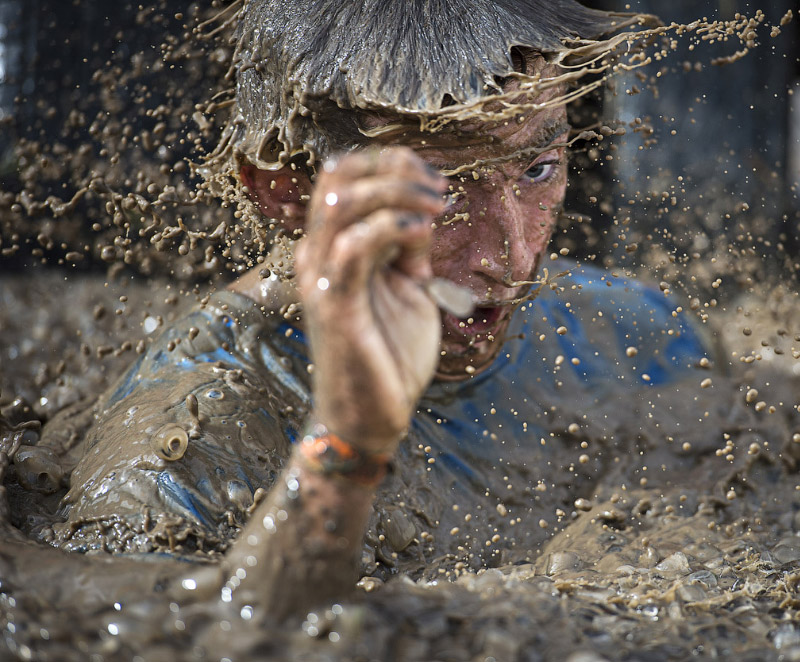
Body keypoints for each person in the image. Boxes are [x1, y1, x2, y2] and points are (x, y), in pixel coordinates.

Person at [43, 0, 711, 619]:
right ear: (284, 190)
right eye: (443, 191)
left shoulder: (639, 335)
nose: (510, 258)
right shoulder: (182, 452)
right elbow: (186, 641)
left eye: (537, 168)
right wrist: (348, 442)